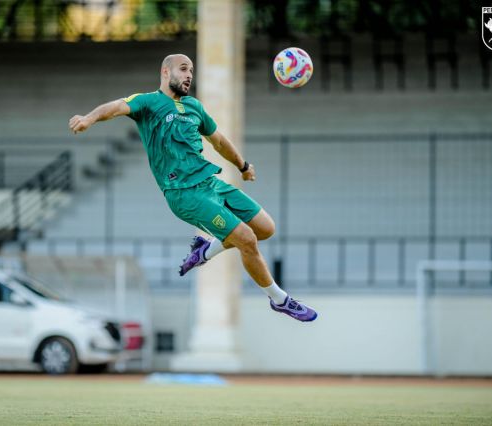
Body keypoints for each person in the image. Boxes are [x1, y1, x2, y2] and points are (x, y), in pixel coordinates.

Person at [69, 54, 317, 322]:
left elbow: (219, 141)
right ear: (165, 72)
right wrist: (89, 118)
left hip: (211, 183)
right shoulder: (148, 102)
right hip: (184, 193)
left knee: (266, 228)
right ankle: (280, 299)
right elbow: (116, 106)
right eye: (183, 69)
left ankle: (206, 250)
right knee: (247, 239)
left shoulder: (194, 106)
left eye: (192, 71)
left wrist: (243, 165)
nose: (189, 75)